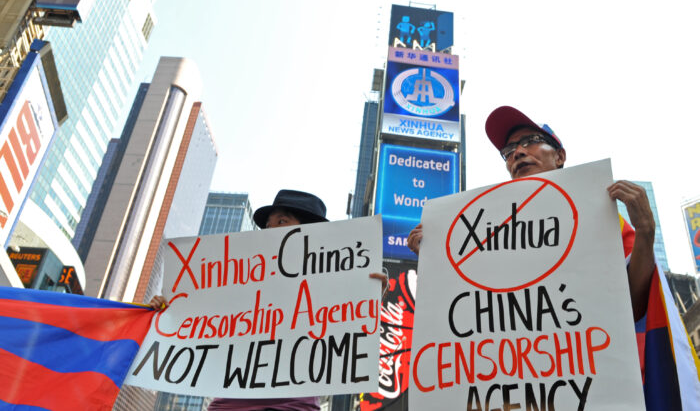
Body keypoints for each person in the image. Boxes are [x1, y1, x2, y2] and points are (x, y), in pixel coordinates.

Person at [407, 106, 656, 321]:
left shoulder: (600, 214)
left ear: (560, 156)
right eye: (509, 150)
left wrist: (645, 230)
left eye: (530, 141)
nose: (517, 152)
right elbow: (471, 310)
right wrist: (434, 262)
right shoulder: (489, 234)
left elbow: (634, 308)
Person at [150, 189, 387, 411]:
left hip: (294, 404)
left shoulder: (334, 284)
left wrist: (369, 295)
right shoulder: (235, 279)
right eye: (267, 226)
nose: (270, 230)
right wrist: (170, 310)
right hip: (231, 402)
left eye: (282, 221)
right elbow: (199, 323)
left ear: (312, 231)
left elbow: (350, 335)